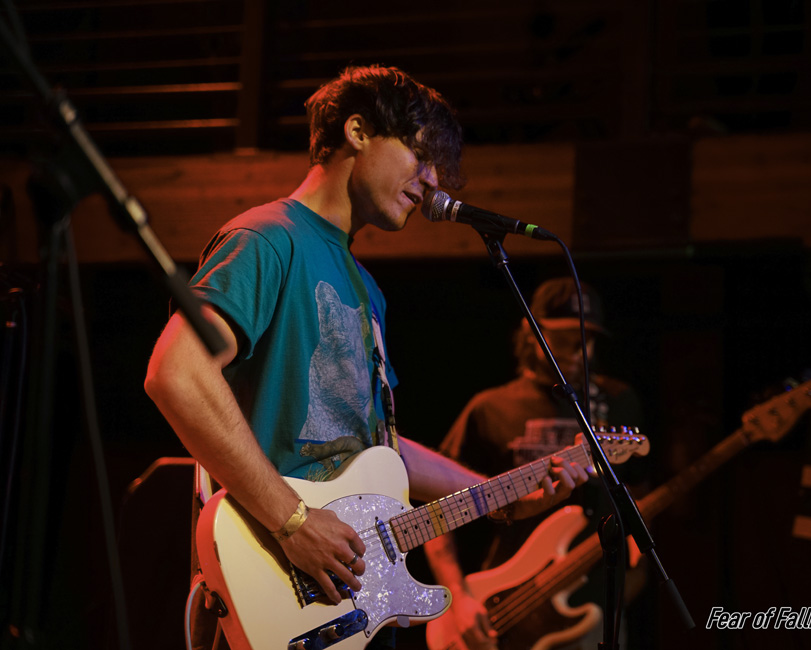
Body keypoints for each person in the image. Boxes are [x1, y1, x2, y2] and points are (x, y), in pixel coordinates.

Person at [143, 65, 590, 650]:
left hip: (341, 600)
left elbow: (378, 449)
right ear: (357, 130)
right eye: (420, 154)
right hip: (270, 579)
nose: (432, 182)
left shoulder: (366, 288)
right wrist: (293, 520)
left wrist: (503, 495)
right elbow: (175, 373)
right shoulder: (268, 239)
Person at [423, 278, 651, 650]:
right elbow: (437, 511)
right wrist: (457, 597)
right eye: (564, 336)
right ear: (532, 332)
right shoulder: (490, 408)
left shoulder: (618, 403)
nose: (579, 347)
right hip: (502, 609)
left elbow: (641, 500)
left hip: (589, 610)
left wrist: (633, 580)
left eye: (588, 336)